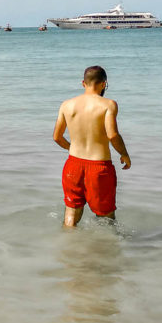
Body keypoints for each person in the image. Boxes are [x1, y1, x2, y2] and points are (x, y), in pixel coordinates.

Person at [53, 65, 131, 227]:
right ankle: (109, 249)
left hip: (72, 165)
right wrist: (124, 154)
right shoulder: (108, 105)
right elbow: (113, 135)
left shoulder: (66, 105)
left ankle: (68, 246)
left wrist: (72, 148)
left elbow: (57, 137)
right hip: (99, 168)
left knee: (72, 211)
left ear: (83, 83)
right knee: (107, 216)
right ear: (104, 84)